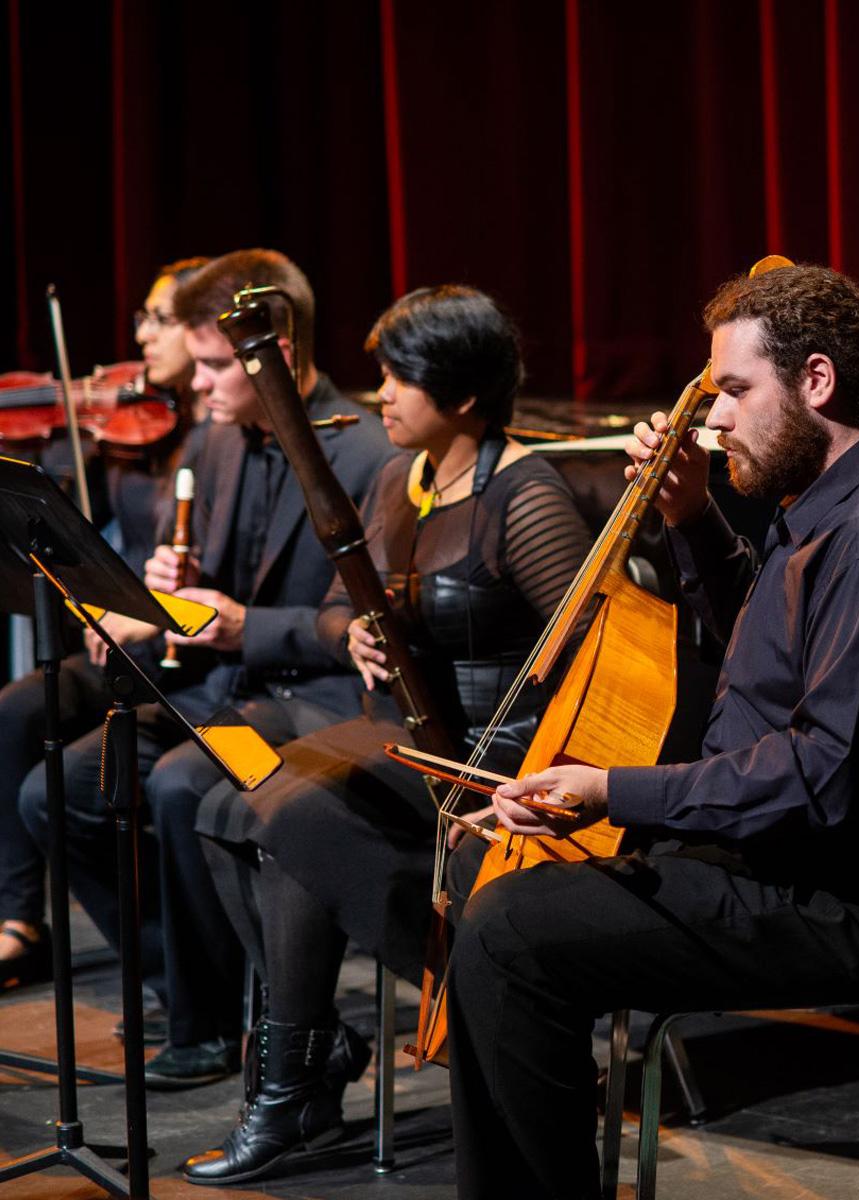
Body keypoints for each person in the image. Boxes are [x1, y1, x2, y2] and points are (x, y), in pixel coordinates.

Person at [445, 263, 859, 1198]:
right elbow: (770, 648)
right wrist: (693, 519)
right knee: (483, 871)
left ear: (815, 381)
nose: (716, 417)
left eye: (735, 391)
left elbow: (826, 775)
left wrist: (613, 789)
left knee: (511, 935)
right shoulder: (825, 507)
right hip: (776, 859)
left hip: (847, 899)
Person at [180, 286, 593, 1186]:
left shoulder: (524, 495)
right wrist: (349, 634)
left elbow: (588, 654)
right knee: (223, 801)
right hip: (406, 740)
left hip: (496, 755)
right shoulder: (399, 479)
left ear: (464, 397)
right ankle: (310, 1054)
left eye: (399, 378)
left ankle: (293, 1084)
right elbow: (338, 608)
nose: (381, 397)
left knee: (290, 822)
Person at [16, 249, 395, 1088]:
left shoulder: (365, 453)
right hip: (227, 690)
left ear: (278, 355)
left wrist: (240, 624)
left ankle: (222, 1028)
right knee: (58, 791)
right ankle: (189, 985)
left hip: (317, 702)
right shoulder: (220, 440)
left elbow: (353, 630)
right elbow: (203, 579)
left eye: (219, 366)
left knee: (182, 783)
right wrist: (159, 596)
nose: (200, 386)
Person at [0, 255, 209, 991]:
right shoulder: (126, 441)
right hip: (125, 646)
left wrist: (145, 616)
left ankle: (171, 973)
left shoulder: (219, 439)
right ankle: (19, 919)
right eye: (141, 320)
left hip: (186, 656)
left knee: (79, 780)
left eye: (160, 319)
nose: (141, 335)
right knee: (18, 709)